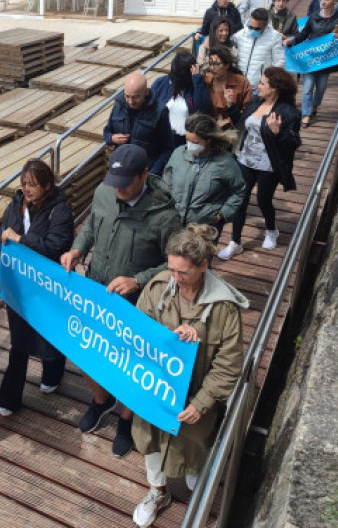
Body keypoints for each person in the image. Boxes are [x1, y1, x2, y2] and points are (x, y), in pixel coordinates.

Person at [60, 144, 182, 458]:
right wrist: (77, 248)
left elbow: (176, 265)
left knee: (131, 364)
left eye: (126, 183)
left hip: (138, 303)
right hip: (97, 290)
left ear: (145, 174)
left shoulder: (165, 215)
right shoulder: (104, 193)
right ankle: (101, 401)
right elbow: (90, 226)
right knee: (85, 350)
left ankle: (126, 418)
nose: (119, 190)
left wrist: (138, 280)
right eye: (115, 183)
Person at [130, 224, 247, 527]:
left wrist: (202, 402)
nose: (176, 278)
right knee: (150, 439)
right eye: (171, 269)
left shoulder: (223, 308)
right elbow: (137, 336)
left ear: (204, 266)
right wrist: (171, 338)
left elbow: (229, 363)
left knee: (194, 443)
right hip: (155, 388)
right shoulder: (157, 287)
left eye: (183, 273)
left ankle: (197, 477)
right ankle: (157, 490)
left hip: (196, 394)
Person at [0, 159, 74, 416]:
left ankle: (53, 371)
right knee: (19, 343)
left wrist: (22, 239)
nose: (27, 189)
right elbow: (2, 243)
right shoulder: (14, 207)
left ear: (47, 186)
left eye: (33, 184)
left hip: (48, 287)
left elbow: (54, 247)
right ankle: (9, 398)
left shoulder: (60, 212)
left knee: (50, 335)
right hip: (19, 286)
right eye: (24, 183)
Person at [218, 68, 301, 260]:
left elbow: (293, 144)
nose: (258, 86)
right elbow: (242, 122)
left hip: (268, 166)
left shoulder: (289, 113)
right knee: (241, 200)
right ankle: (235, 242)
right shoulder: (256, 102)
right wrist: (231, 106)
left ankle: (271, 230)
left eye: (263, 83)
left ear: (275, 88)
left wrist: (277, 133)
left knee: (263, 200)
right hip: (245, 160)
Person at [163, 113, 246, 238]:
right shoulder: (178, 153)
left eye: (195, 142)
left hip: (204, 228)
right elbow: (167, 180)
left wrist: (223, 214)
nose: (190, 145)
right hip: (174, 223)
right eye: (188, 140)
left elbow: (239, 191)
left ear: (209, 140)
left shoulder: (225, 162)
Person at [285, 0, 338, 127]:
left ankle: (315, 105)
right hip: (311, 59)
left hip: (326, 61)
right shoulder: (314, 16)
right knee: (307, 88)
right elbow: (304, 34)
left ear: (334, 1)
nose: (323, 2)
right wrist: (292, 42)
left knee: (321, 87)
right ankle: (306, 114)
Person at [103, 71, 174, 175]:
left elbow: (167, 148)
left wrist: (152, 174)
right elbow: (107, 132)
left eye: (135, 97)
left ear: (146, 91)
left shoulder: (159, 112)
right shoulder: (119, 105)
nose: (131, 101)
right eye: (127, 96)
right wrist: (112, 138)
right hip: (120, 169)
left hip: (144, 172)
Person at [151, 51, 213, 148]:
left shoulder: (196, 86)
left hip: (186, 140)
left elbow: (204, 108)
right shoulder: (161, 83)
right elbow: (151, 107)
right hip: (162, 138)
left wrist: (196, 79)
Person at [230, 7, 286, 90]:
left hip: (258, 88)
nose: (253, 30)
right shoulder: (240, 35)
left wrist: (267, 81)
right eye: (250, 27)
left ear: (266, 24)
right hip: (239, 84)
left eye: (257, 28)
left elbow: (279, 62)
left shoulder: (274, 37)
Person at [204, 45, 252, 129]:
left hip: (234, 129)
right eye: (210, 64)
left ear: (227, 65)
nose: (212, 68)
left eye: (216, 64)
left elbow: (248, 111)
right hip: (210, 130)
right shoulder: (206, 80)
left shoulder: (242, 82)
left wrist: (228, 120)